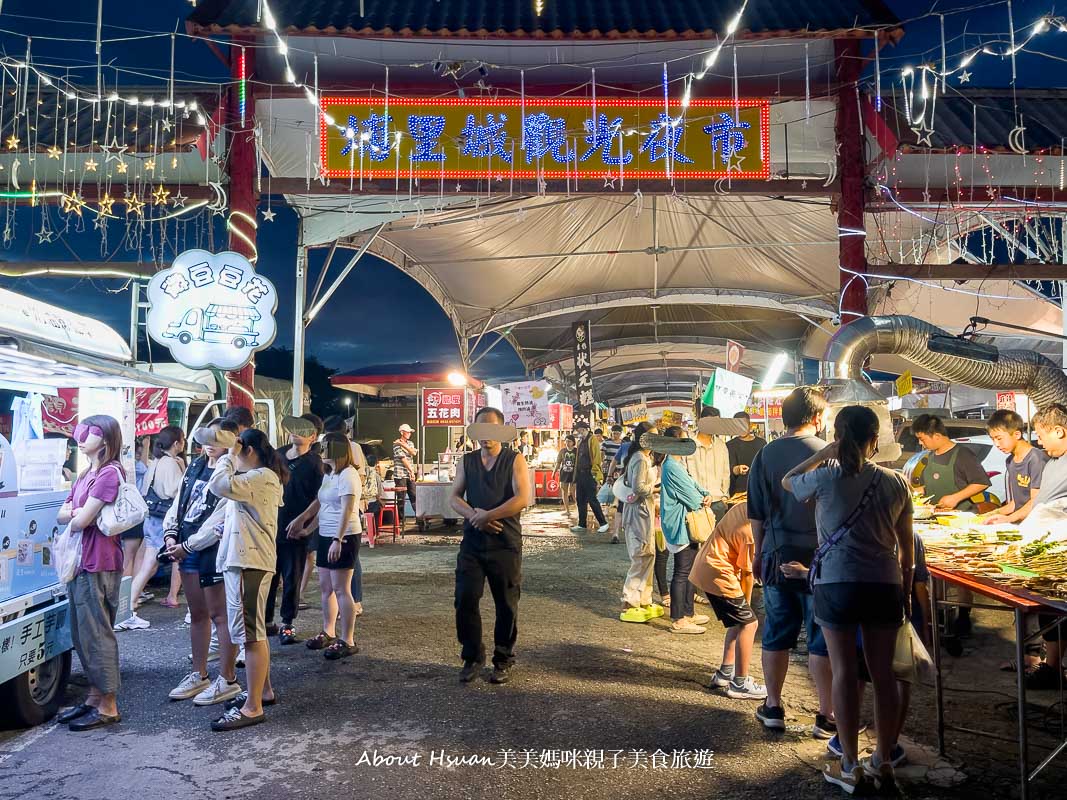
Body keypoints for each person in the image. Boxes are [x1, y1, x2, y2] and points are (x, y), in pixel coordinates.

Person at [782, 405, 913, 792]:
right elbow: (907, 550)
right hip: (884, 584)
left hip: (836, 584)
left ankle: (851, 764)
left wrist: (825, 452)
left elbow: (789, 480)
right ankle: (884, 761)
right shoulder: (896, 482)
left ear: (838, 438)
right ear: (875, 439)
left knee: (844, 672)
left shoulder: (824, 478)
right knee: (883, 674)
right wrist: (904, 592)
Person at [747, 386, 835, 737]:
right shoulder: (828, 453)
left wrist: (758, 552)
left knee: (777, 632)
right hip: (822, 557)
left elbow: (755, 511)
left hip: (777, 552)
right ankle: (826, 715)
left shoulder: (765, 454)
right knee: (821, 635)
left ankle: (773, 705)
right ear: (816, 418)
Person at [205, 429, 287, 731]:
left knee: (251, 635)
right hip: (246, 560)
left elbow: (218, 484)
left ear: (248, 450)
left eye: (238, 450)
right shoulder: (261, 477)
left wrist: (228, 455)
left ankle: (252, 707)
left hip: (248, 562)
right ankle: (262, 692)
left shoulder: (261, 476)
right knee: (252, 630)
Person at [449, 407, 533, 685]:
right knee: (465, 599)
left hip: (505, 544)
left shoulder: (514, 459)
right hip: (473, 543)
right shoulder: (467, 461)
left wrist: (489, 515)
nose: (487, 437)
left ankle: (503, 658)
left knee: (506, 604)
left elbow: (523, 498)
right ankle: (472, 656)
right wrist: (476, 517)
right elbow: (454, 497)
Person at [162, 420, 242, 707]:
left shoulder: (233, 470)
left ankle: (227, 678)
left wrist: (187, 545)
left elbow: (221, 518)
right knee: (197, 613)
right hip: (186, 545)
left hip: (213, 550)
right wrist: (171, 534)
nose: (210, 443)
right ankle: (199, 673)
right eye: (206, 436)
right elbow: (179, 502)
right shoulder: (195, 465)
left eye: (218, 437)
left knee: (221, 615)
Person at [55, 415, 126, 731]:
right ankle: (94, 698)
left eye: (89, 433)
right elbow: (66, 514)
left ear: (107, 440)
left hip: (100, 561)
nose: (80, 438)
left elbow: (80, 521)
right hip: (82, 561)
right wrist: (76, 514)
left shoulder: (110, 474)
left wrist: (75, 515)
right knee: (83, 634)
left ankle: (108, 705)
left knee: (97, 634)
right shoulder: (86, 473)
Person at [911, 413, 991, 637]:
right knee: (935, 575)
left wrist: (956, 497)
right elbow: (928, 487)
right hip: (936, 522)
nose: (920, 442)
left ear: (936, 435)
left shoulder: (962, 454)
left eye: (922, 438)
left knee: (961, 574)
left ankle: (963, 617)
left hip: (961, 521)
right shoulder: (929, 457)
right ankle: (940, 617)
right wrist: (914, 493)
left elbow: (981, 482)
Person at [289, 433, 362, 660]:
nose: (321, 452)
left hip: (345, 536)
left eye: (325, 448)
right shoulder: (330, 474)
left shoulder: (349, 475)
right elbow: (323, 507)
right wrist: (307, 528)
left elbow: (347, 510)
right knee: (326, 587)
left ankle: (347, 639)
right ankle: (328, 631)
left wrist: (337, 540)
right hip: (326, 534)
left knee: (341, 588)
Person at [689, 501, 766, 700]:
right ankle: (740, 683)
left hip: (707, 565)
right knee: (749, 624)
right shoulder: (750, 531)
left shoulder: (742, 506)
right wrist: (746, 607)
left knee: (738, 622)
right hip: (718, 571)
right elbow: (748, 575)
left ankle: (725, 672)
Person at [1017, 404, 1067, 688]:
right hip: (1045, 549)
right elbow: (1041, 505)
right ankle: (1052, 667)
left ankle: (1053, 667)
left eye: (1041, 434)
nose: (1038, 440)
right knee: (1049, 608)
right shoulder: (1052, 463)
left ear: (1059, 431)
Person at [118, 426, 186, 631]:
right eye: (182, 441)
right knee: (150, 564)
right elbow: (175, 491)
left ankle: (128, 606)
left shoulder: (156, 462)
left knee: (150, 564)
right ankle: (127, 608)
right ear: (176, 443)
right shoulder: (171, 464)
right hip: (163, 520)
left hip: (151, 518)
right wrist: (182, 471)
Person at [265, 414, 324, 645]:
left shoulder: (314, 462)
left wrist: (305, 524)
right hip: (271, 526)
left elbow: (321, 496)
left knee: (292, 576)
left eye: (301, 429)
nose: (294, 432)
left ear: (312, 436)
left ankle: (287, 622)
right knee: (269, 576)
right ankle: (267, 620)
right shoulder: (276, 455)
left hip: (296, 530)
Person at [660, 425, 714, 634]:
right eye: (684, 440)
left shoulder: (676, 464)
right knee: (682, 571)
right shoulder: (672, 467)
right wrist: (702, 498)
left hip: (686, 523)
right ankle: (679, 618)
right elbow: (691, 497)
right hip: (680, 524)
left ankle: (688, 613)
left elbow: (694, 486)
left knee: (689, 570)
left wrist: (705, 493)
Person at [618, 422, 662, 623]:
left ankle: (644, 598)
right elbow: (639, 488)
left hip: (645, 511)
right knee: (640, 554)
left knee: (648, 554)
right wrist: (656, 489)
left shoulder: (645, 457)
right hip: (638, 512)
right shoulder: (640, 459)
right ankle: (629, 601)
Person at [984, 409, 1048, 526]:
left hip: (1037, 524)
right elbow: (1016, 502)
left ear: (1017, 434)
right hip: (1020, 524)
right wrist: (989, 515)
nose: (996, 444)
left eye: (999, 438)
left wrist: (1009, 518)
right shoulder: (1010, 461)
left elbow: (1036, 501)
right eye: (993, 439)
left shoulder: (1036, 459)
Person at [683, 407, 731, 519]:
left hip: (718, 502)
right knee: (697, 536)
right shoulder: (688, 445)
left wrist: (724, 497)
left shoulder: (721, 446)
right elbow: (684, 474)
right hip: (696, 502)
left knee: (717, 536)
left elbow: (726, 473)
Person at [570, 420, 609, 534]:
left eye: (580, 430)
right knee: (580, 499)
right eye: (578, 431)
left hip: (589, 473)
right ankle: (582, 524)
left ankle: (603, 523)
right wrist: (575, 476)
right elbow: (578, 459)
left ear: (585, 429)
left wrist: (595, 473)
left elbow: (596, 458)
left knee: (592, 499)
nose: (579, 432)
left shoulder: (593, 440)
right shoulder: (580, 441)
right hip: (581, 474)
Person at [726, 411, 766, 496]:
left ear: (750, 425)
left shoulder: (761, 443)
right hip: (737, 493)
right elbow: (727, 470)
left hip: (759, 490)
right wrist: (737, 469)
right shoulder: (729, 445)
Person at [393, 423, 418, 527]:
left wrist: (403, 445)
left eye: (410, 432)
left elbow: (413, 453)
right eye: (407, 432)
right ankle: (401, 521)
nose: (409, 434)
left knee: (414, 496)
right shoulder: (395, 445)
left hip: (409, 474)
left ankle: (419, 518)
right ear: (402, 432)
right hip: (400, 475)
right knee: (401, 499)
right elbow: (403, 459)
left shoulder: (409, 443)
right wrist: (411, 471)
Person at [553, 435, 578, 520]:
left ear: (573, 442)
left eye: (569, 441)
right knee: (564, 491)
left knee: (573, 492)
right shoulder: (562, 451)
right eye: (566, 441)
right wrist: (554, 472)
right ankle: (567, 510)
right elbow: (558, 462)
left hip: (574, 474)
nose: (567, 443)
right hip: (564, 473)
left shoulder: (576, 451)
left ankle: (578, 508)